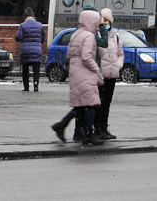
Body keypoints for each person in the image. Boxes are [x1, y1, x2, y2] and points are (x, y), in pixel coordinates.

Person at [51, 9, 104, 146]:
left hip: (75, 72)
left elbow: (68, 54)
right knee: (91, 104)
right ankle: (88, 134)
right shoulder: (89, 36)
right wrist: (96, 69)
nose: (98, 25)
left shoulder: (76, 34)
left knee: (81, 106)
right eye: (96, 22)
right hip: (85, 72)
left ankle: (61, 125)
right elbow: (86, 56)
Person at [95, 8, 123, 140]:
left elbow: (120, 54)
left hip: (112, 74)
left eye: (108, 20)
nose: (106, 22)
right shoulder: (98, 36)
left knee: (107, 103)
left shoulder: (116, 37)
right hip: (101, 75)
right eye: (103, 20)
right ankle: (98, 129)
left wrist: (118, 64)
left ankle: (104, 128)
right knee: (99, 103)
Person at [15, 8, 44, 92]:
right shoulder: (39, 25)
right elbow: (43, 38)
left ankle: (26, 87)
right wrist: (38, 43)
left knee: (25, 70)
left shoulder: (22, 25)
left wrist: (17, 39)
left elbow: (18, 37)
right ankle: (35, 84)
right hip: (37, 50)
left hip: (25, 51)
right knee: (36, 70)